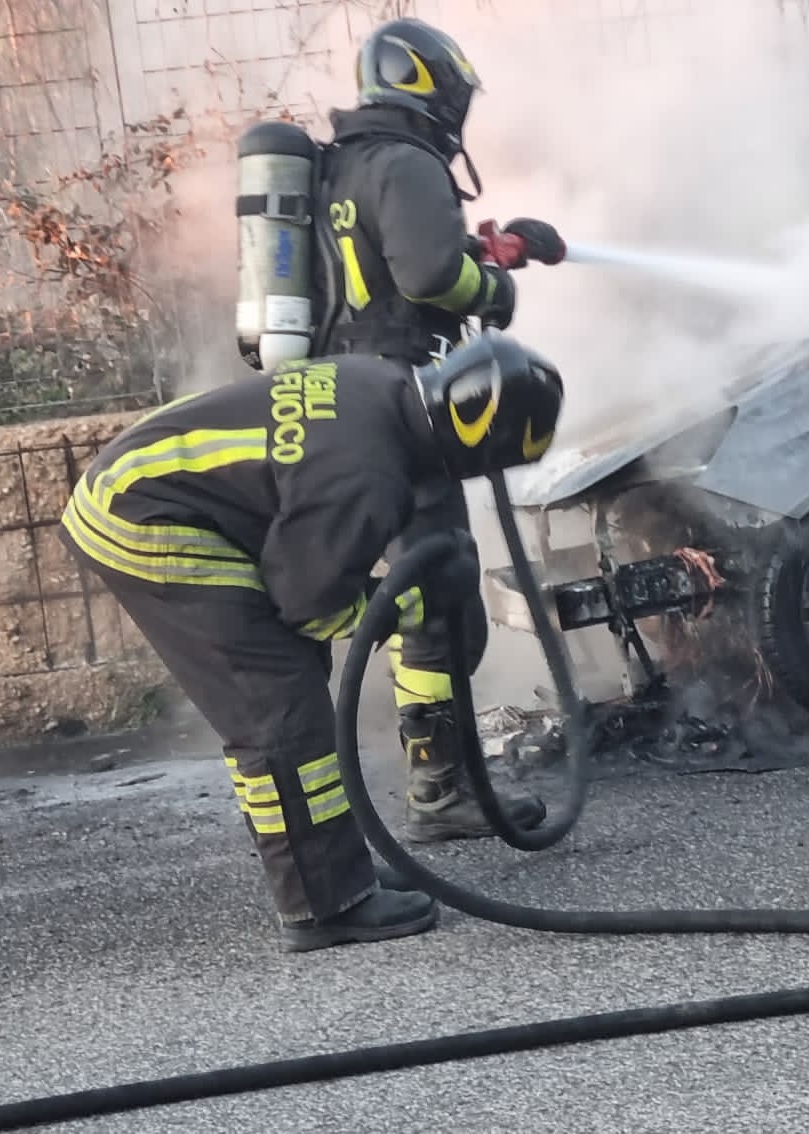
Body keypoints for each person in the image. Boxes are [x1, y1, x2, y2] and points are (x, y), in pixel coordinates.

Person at [57, 335, 566, 952]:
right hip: (142, 517)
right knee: (276, 707)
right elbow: (306, 605)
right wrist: (401, 601)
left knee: (286, 689)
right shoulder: (364, 473)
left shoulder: (384, 384)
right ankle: (322, 904)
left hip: (146, 483)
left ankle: (333, 871)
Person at [310, 16, 568, 845]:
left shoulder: (341, 163)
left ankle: (440, 784)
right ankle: (439, 793)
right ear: (431, 85)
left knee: (421, 591)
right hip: (395, 402)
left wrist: (501, 246)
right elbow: (431, 276)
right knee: (439, 599)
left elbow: (384, 272)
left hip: (336, 400)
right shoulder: (408, 159)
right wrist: (493, 287)